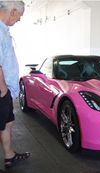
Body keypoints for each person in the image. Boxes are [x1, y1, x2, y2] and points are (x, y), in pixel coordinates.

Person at [0, 1, 30, 168]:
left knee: (8, 122)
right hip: (1, 90)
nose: (19, 20)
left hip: (6, 90)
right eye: (19, 16)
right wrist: (2, 89)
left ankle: (9, 155)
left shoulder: (4, 31)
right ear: (12, 11)